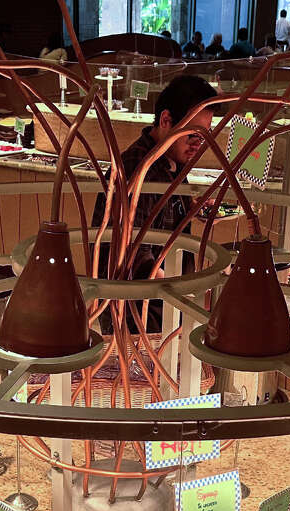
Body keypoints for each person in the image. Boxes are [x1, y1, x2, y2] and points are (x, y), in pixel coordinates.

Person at [90, 74, 218, 331]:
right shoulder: (139, 170)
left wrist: (191, 207)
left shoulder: (171, 159)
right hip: (135, 316)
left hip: (161, 305)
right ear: (166, 120)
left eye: (205, 136)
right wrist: (186, 291)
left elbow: (159, 217)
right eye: (193, 135)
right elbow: (133, 259)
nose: (198, 145)